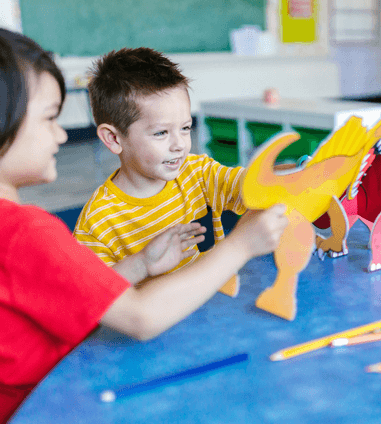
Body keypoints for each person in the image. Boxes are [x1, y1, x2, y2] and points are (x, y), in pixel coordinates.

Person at [0, 30, 287, 423]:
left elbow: (82, 300)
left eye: (185, 129)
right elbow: (137, 317)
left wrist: (138, 266)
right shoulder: (24, 233)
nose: (63, 134)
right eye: (50, 118)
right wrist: (241, 245)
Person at [73, 47, 258, 295]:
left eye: (185, 128)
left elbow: (251, 184)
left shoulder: (197, 172)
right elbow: (86, 297)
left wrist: (298, 170)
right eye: (161, 132)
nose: (180, 144)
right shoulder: (97, 223)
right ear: (114, 139)